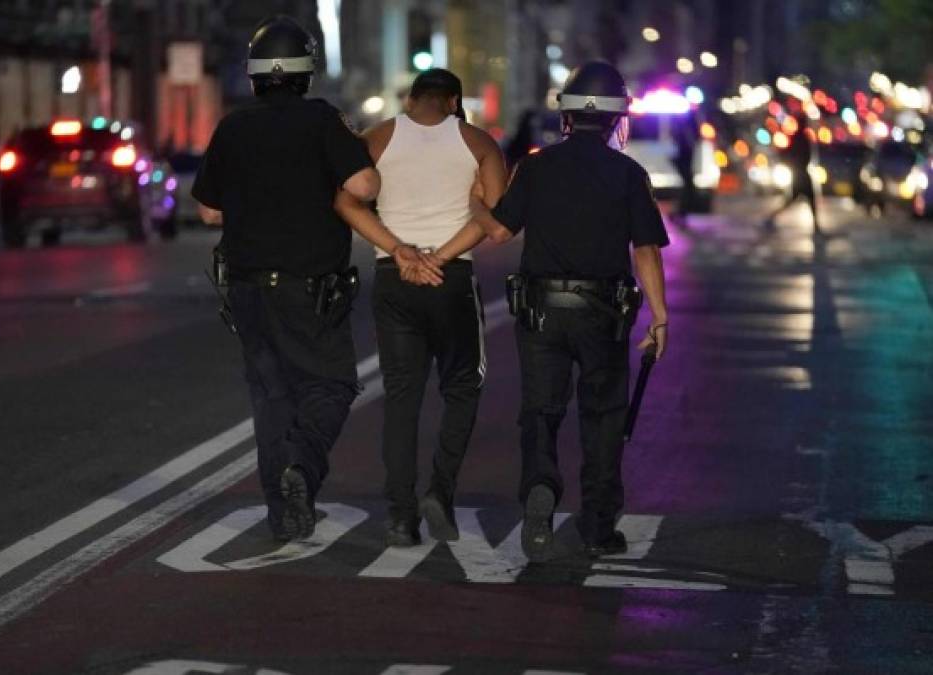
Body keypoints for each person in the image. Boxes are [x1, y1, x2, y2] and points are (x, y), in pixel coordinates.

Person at [467, 61, 670, 562]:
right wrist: (660, 317)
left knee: (541, 410)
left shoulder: (536, 166)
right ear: (616, 119)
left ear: (566, 115)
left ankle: (540, 485)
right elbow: (646, 249)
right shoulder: (628, 173)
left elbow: (497, 231)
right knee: (603, 417)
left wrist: (475, 202)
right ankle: (598, 527)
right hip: (603, 313)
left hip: (540, 312)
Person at [191, 15, 381, 542]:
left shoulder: (233, 127)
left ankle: (283, 512)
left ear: (255, 78)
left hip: (247, 288)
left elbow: (208, 211)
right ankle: (302, 465)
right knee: (332, 384)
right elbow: (364, 185)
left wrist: (258, 203)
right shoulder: (323, 121)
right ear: (306, 74)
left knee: (271, 398)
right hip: (309, 289)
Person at [334, 69, 507, 546]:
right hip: (451, 279)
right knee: (463, 388)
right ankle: (441, 491)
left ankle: (399, 516)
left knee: (402, 398)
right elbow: (498, 220)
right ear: (453, 101)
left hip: (395, 277)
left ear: (412, 101)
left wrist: (401, 251)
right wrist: (440, 257)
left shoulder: (379, 136)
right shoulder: (479, 143)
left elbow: (346, 203)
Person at [764, 109, 818, 233]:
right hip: (801, 174)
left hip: (801, 173)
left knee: (802, 200)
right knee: (799, 200)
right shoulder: (801, 138)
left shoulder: (799, 138)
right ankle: (771, 218)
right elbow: (797, 156)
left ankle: (817, 226)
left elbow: (788, 154)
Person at [669, 113, 697, 227]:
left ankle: (680, 214)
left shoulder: (684, 133)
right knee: (688, 189)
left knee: (688, 189)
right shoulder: (684, 134)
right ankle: (679, 214)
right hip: (685, 164)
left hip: (685, 164)